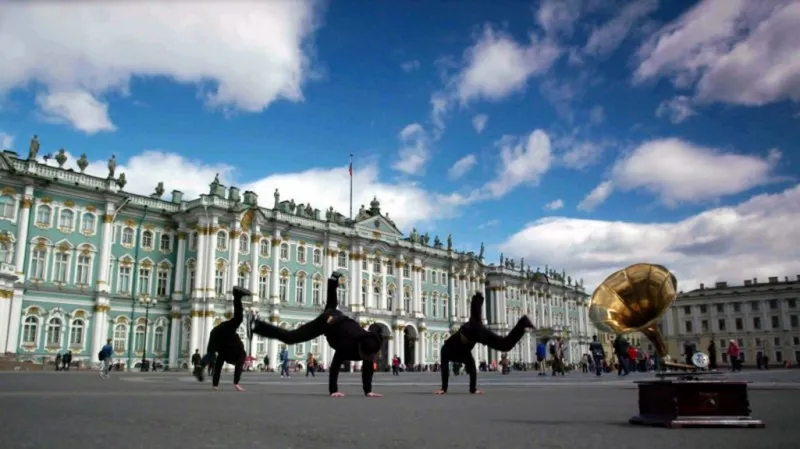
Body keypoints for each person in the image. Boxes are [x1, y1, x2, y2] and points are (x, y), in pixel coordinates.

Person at [250, 271, 383, 398]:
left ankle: (333, 280)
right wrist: (333, 391)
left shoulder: (370, 345)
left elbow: (368, 370)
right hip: (328, 322)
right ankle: (257, 326)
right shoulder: (347, 345)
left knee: (331, 305)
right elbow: (335, 366)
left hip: (338, 317)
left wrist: (368, 391)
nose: (369, 357)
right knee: (291, 338)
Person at [435, 292, 535, 395]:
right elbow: (470, 369)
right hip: (472, 331)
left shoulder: (446, 351)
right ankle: (522, 323)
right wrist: (472, 389)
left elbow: (445, 368)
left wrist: (444, 388)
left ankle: (478, 299)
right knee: (503, 344)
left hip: (470, 332)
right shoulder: (463, 355)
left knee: (499, 341)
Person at [193, 286, 251, 392]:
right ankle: (237, 295)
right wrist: (236, 383)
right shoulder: (240, 355)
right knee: (212, 354)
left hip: (218, 331)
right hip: (222, 333)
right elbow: (234, 366)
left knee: (238, 319)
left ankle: (200, 365)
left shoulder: (228, 353)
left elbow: (219, 365)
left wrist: (216, 385)